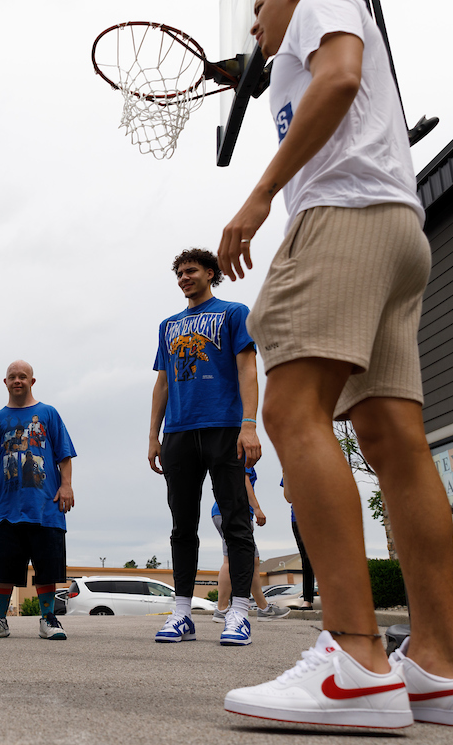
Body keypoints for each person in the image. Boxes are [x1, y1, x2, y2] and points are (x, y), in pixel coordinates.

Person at [217, 0, 453, 727]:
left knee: (291, 412)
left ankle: (356, 658)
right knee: (392, 435)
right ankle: (441, 666)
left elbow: (336, 78)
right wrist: (236, 70)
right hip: (401, 230)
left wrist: (261, 195)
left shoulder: (321, 6)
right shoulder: (293, 48)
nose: (257, 18)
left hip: (341, 218)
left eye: (258, 0)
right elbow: (300, 77)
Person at [148, 248, 261, 647]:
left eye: (190, 270)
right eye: (178, 273)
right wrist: (153, 436)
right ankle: (181, 612)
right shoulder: (168, 325)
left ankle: (240, 613)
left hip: (225, 428)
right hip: (179, 432)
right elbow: (162, 383)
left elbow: (248, 367)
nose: (183, 277)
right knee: (182, 524)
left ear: (211, 273)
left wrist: (249, 425)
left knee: (235, 520)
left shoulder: (233, 312)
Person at [0, 360, 75, 641]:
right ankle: (0, 619)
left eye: (23, 376)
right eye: (12, 377)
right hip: (6, 507)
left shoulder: (48, 413)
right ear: (5, 382)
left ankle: (48, 619)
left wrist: (66, 486)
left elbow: (64, 454)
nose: (17, 380)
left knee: (47, 568)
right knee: (4, 567)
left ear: (32, 381)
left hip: (46, 506)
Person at [211, 467, 290, 622]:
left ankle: (263, 607)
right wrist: (257, 508)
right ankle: (222, 609)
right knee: (231, 560)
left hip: (225, 511)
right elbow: (244, 480)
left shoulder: (230, 449)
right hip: (234, 512)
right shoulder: (242, 448)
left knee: (252, 561)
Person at [282, 476, 315, 609]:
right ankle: (307, 600)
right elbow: (289, 497)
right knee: (306, 559)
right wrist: (285, 474)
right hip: (298, 518)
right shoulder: (290, 467)